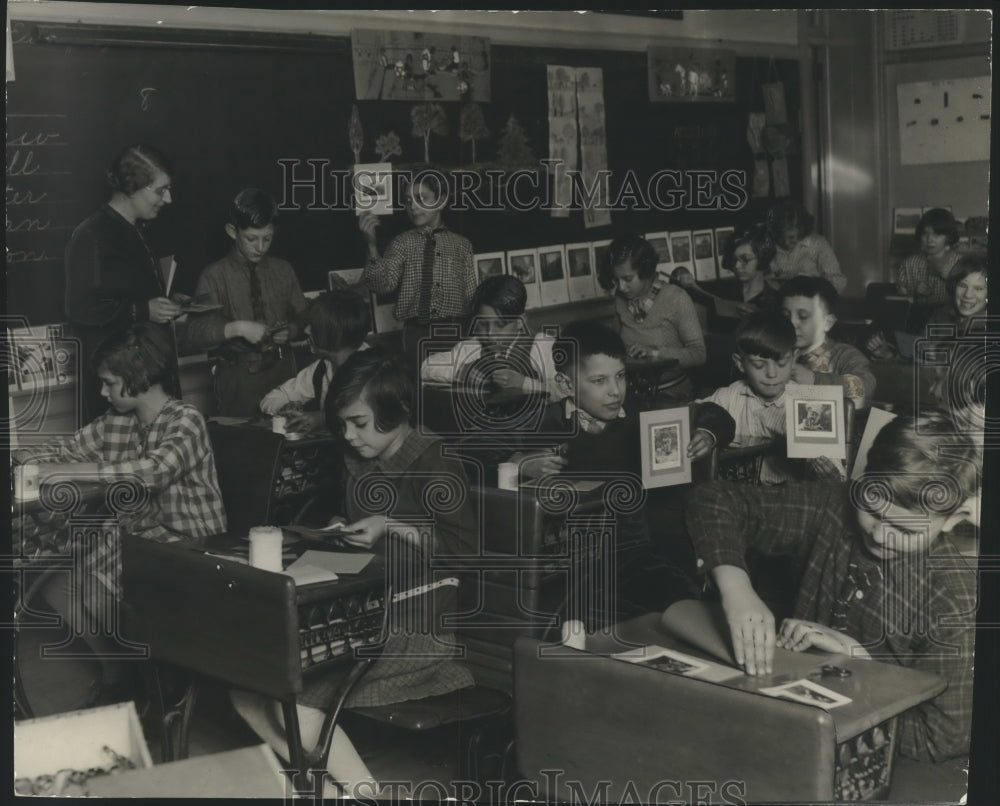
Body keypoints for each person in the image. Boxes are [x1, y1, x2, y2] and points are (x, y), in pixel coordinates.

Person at [230, 345, 475, 797]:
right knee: (244, 690)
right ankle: (331, 795)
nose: (348, 435)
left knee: (295, 703)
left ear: (397, 412)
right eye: (341, 423)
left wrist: (392, 525)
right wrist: (341, 531)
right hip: (358, 617)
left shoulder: (436, 462)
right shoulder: (362, 461)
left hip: (417, 629)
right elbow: (364, 537)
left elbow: (463, 553)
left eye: (358, 423)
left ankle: (366, 796)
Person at [685, 411, 980, 763]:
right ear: (863, 478)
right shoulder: (830, 504)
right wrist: (735, 585)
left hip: (870, 760)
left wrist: (863, 664)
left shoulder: (953, 597)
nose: (879, 534)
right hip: (778, 718)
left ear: (954, 519)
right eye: (872, 508)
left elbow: (942, 739)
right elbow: (713, 498)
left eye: (905, 530)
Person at [12, 323, 227, 705]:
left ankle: (156, 684)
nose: (103, 392)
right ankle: (119, 674)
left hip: (186, 536)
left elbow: (153, 471)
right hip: (136, 536)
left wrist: (67, 472)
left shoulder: (185, 419)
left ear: (136, 378)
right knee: (54, 584)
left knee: (95, 594)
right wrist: (25, 458)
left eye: (109, 383)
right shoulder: (118, 421)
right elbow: (67, 447)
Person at [508, 321, 734, 624]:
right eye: (599, 381)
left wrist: (706, 432)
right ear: (565, 385)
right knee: (572, 620)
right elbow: (475, 453)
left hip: (634, 553)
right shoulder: (542, 424)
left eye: (621, 376)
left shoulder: (643, 412)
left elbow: (715, 413)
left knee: (683, 607)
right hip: (570, 560)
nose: (616, 391)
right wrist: (520, 462)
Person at [64, 143, 182, 422]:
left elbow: (132, 294)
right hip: (118, 391)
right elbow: (80, 309)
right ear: (132, 188)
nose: (168, 199)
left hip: (148, 383)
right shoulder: (91, 235)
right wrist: (143, 310)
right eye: (160, 190)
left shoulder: (138, 230)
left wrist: (165, 304)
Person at [184, 188, 307, 417]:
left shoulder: (284, 270)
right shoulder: (213, 276)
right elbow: (192, 334)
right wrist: (236, 328)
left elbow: (304, 315)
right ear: (232, 231)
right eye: (251, 239)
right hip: (238, 382)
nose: (260, 247)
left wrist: (291, 329)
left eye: (267, 239)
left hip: (284, 376)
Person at [359, 170, 476, 368]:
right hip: (416, 335)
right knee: (422, 388)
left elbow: (472, 295)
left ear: (442, 200)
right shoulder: (401, 243)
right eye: (408, 200)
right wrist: (371, 245)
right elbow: (381, 285)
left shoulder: (462, 245)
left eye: (422, 198)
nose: (413, 206)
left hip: (456, 331)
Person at [598, 235, 706, 401]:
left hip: (671, 394)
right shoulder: (621, 298)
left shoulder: (676, 297)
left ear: (646, 271)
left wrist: (655, 353)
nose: (621, 287)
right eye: (616, 279)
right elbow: (615, 345)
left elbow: (699, 354)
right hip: (630, 393)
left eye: (628, 279)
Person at [420, 274, 559, 399]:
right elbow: (426, 367)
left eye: (500, 325)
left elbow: (566, 391)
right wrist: (461, 372)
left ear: (520, 322)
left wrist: (523, 383)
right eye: (483, 325)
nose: (490, 333)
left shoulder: (541, 345)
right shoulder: (472, 347)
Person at [259, 289, 372, 434]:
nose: (306, 330)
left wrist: (324, 418)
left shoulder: (374, 368)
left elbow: (370, 413)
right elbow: (271, 398)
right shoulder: (322, 368)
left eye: (313, 325)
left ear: (333, 331)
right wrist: (284, 407)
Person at [779, 276, 876, 410]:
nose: (792, 323)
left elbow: (864, 386)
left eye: (803, 317)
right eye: (785, 316)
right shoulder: (775, 351)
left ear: (827, 323)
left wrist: (815, 380)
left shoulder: (845, 355)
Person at [868, 256, 988, 361]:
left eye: (978, 289)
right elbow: (917, 356)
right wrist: (889, 354)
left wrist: (942, 357)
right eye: (962, 285)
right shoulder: (941, 315)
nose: (968, 295)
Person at [765, 200, 847, 293]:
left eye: (791, 237)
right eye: (780, 238)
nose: (786, 243)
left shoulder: (817, 244)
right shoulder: (769, 244)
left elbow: (838, 282)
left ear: (802, 230)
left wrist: (807, 282)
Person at [894, 208, 962, 306]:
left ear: (948, 236)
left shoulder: (960, 262)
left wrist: (951, 279)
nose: (929, 239)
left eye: (937, 234)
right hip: (917, 317)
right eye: (925, 233)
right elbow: (900, 303)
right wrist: (914, 294)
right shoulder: (909, 264)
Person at [716, 224, 781, 313]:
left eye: (745, 259)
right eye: (734, 259)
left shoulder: (775, 300)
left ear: (762, 258)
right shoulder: (723, 292)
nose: (737, 266)